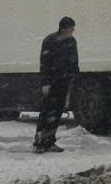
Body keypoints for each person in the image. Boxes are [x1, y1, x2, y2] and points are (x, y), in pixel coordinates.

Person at [33, 16, 79, 154]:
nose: (73, 30)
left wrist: (74, 78)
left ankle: (50, 141)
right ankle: (38, 142)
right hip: (52, 83)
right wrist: (45, 82)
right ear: (64, 28)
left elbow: (74, 61)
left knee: (57, 113)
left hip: (63, 83)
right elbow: (45, 63)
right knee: (46, 112)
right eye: (71, 28)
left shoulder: (71, 41)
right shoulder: (50, 41)